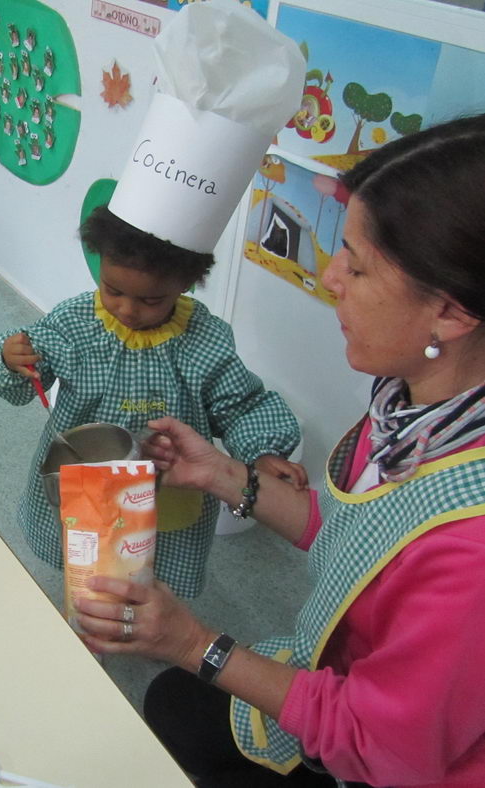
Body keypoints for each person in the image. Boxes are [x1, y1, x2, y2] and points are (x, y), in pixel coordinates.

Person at [75, 113, 485, 787]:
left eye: (353, 263)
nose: (330, 280)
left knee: (178, 704)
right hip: (355, 690)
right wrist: (223, 475)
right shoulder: (416, 404)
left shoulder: (470, 553)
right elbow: (363, 538)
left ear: (449, 311)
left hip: (394, 759)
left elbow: (383, 747)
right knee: (174, 705)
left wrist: (192, 643)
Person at [0, 205, 306, 599]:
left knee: (153, 568)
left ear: (185, 282)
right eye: (113, 290)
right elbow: (30, 374)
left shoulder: (206, 339)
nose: (128, 310)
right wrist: (12, 360)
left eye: (151, 300)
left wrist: (263, 451)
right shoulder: (74, 323)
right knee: (85, 555)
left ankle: (149, 624)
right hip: (83, 474)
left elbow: (241, 405)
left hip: (166, 485)